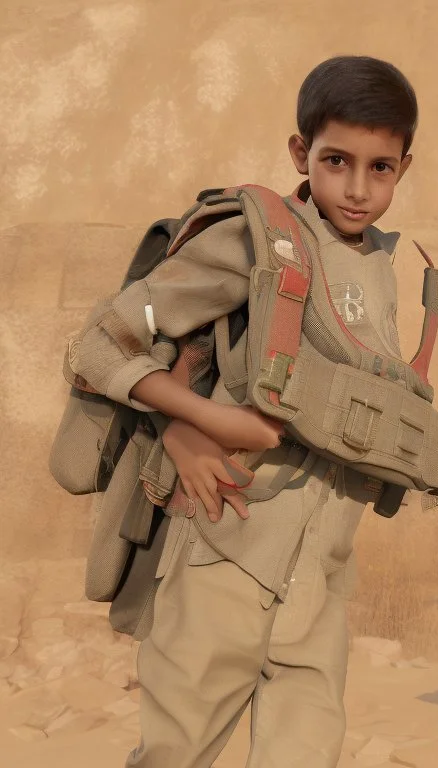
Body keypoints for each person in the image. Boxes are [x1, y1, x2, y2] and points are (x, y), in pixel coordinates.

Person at [73, 55, 417, 767]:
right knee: (176, 754)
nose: (357, 187)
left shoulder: (382, 269)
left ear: (403, 168)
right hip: (224, 553)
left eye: (379, 168)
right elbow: (99, 347)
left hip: (318, 582)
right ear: (301, 153)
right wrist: (191, 426)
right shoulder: (253, 239)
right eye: (336, 160)